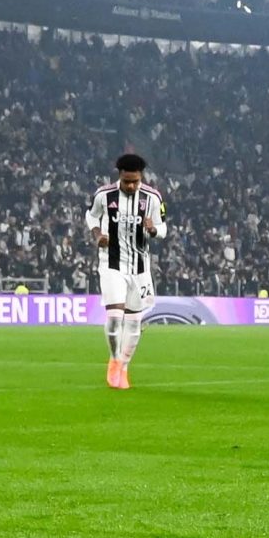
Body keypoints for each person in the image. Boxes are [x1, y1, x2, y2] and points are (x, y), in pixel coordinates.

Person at [88, 153, 165, 390]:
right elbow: (91, 217)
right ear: (119, 175)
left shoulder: (152, 197)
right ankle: (114, 359)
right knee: (114, 317)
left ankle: (124, 366)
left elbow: (163, 228)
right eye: (126, 181)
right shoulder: (104, 195)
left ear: (141, 177)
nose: (131, 186)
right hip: (111, 262)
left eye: (135, 181)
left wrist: (153, 230)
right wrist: (98, 235)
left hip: (140, 267)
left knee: (133, 322)